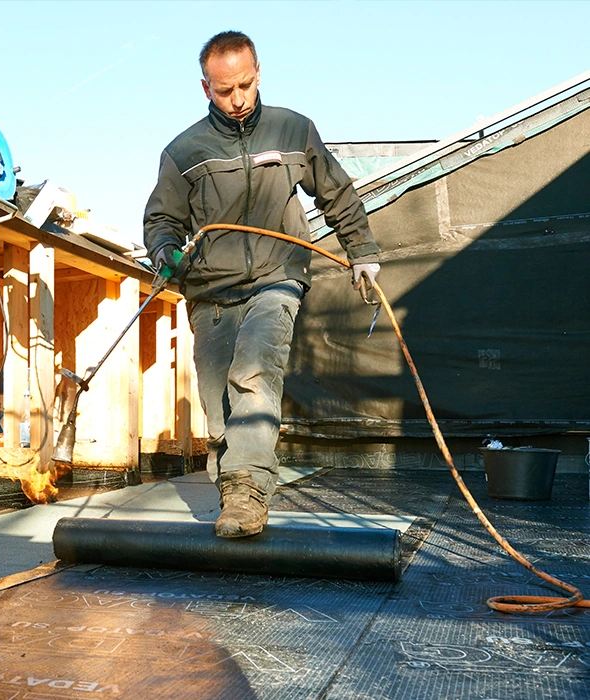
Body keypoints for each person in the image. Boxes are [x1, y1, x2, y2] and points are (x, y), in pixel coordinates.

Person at [143, 31, 381, 538]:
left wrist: (362, 252)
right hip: (210, 289)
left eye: (246, 86)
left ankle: (250, 492)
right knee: (217, 402)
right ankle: (232, 486)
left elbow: (337, 193)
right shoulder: (184, 151)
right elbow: (162, 220)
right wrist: (165, 252)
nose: (238, 100)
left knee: (254, 373)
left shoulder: (292, 130)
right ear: (205, 87)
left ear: (258, 74)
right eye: (225, 90)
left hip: (279, 277)